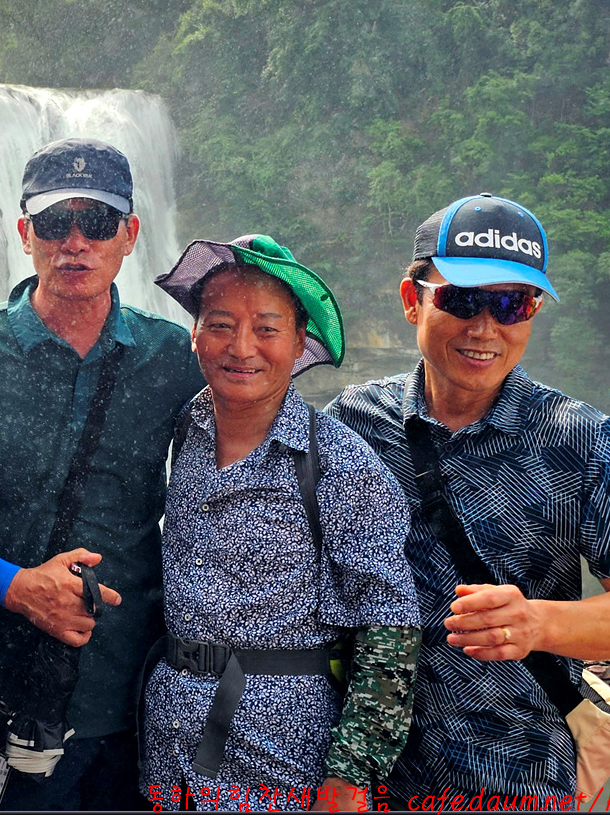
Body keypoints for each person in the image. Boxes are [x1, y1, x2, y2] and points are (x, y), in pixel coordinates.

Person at [327, 193, 610, 805]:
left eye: (512, 304)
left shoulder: (580, 438)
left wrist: (539, 622)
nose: (485, 328)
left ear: (533, 311)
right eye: (462, 299)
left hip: (512, 776)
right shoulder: (352, 423)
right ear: (413, 300)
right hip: (353, 772)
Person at [0, 137, 206, 811]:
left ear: (129, 235)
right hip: (2, 692)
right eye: (53, 223)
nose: (75, 243)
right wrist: (14, 587)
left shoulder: (172, 358)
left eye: (97, 222)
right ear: (24, 234)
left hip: (138, 693)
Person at [144, 235, 421, 812]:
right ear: (195, 333)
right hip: (167, 755)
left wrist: (348, 783)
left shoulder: (339, 464)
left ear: (298, 342)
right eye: (220, 325)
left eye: (267, 329)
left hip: (282, 764)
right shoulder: (181, 432)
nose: (241, 347)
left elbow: (389, 632)